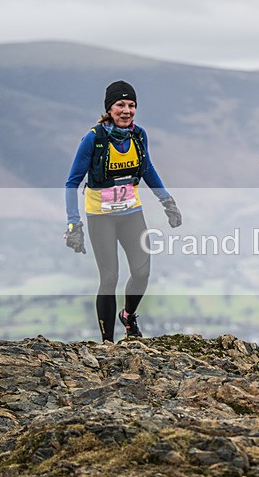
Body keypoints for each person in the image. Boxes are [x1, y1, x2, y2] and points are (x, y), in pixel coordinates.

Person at [64, 80, 182, 342]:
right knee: (110, 277)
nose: (127, 110)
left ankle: (128, 316)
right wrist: (74, 224)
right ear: (110, 108)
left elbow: (148, 169)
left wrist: (168, 202)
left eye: (131, 105)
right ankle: (107, 342)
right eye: (121, 105)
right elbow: (72, 182)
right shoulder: (93, 139)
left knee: (142, 272)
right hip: (101, 218)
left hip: (131, 214)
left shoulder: (139, 135)